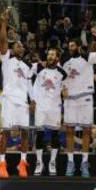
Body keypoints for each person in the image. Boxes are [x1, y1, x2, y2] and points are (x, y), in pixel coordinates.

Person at [62, 27, 96, 178]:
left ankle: (84, 162)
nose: (70, 48)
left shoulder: (88, 57)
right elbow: (62, 80)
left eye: (72, 45)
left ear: (79, 46)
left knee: (86, 131)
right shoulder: (65, 61)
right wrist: (62, 90)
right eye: (69, 46)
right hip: (70, 99)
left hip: (85, 97)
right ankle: (70, 162)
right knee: (69, 130)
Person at [0, 9, 33, 178]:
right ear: (12, 49)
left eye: (22, 45)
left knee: (25, 132)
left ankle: (23, 163)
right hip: (9, 100)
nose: (21, 46)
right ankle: (2, 163)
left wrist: (32, 100)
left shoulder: (26, 67)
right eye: (17, 45)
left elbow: (29, 85)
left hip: (23, 101)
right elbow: (3, 40)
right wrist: (4, 22)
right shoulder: (7, 60)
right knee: (6, 131)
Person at [31, 48, 68, 176]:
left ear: (57, 58)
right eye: (49, 54)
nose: (50, 56)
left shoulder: (62, 72)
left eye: (53, 54)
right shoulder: (39, 68)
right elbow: (27, 72)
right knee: (40, 134)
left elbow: (65, 86)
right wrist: (33, 101)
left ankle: (52, 162)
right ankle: (39, 162)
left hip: (54, 106)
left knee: (54, 134)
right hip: (41, 106)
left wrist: (66, 93)